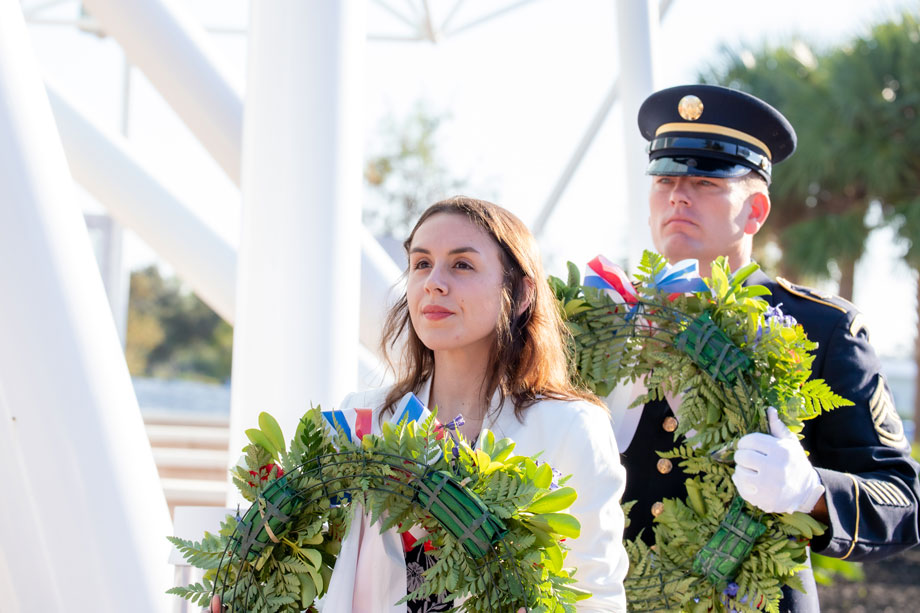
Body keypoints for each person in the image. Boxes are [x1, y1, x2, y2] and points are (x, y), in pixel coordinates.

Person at [613, 83, 920, 611]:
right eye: (664, 179)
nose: (678, 195)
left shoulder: (820, 329)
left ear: (755, 210)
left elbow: (902, 503)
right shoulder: (602, 322)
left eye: (706, 180)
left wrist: (810, 492)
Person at [322, 196, 628, 612]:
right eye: (421, 263)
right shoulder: (362, 419)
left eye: (462, 264)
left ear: (520, 293)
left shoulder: (571, 427)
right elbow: (321, 565)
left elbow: (597, 595)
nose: (434, 282)